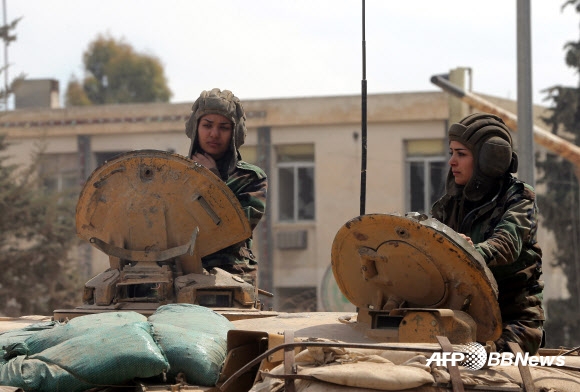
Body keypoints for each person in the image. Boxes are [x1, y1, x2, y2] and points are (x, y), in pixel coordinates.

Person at [431, 112, 545, 354]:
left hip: (514, 322)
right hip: (461, 318)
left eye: (461, 154)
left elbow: (506, 244)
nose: (452, 161)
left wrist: (469, 251)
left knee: (484, 370)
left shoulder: (518, 199)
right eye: (452, 152)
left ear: (489, 160)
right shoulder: (448, 206)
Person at [184, 88, 267, 286]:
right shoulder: (175, 174)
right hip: (182, 276)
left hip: (230, 277)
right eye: (207, 125)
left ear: (235, 132)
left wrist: (211, 179)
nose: (214, 133)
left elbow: (236, 229)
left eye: (224, 127)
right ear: (196, 128)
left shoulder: (250, 178)